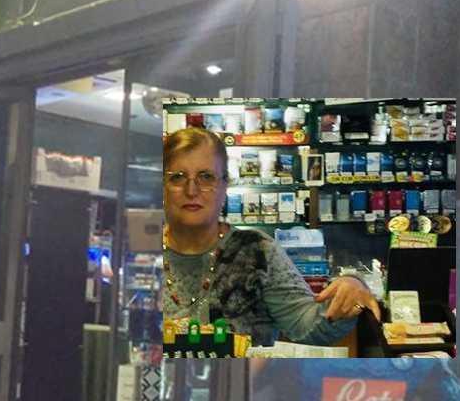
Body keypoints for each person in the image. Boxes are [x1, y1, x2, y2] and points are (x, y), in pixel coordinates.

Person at [162, 127, 380, 347]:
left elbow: (306, 326)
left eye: (206, 177)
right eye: (178, 177)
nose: (192, 190)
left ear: (224, 185)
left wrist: (351, 289)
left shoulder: (256, 250)